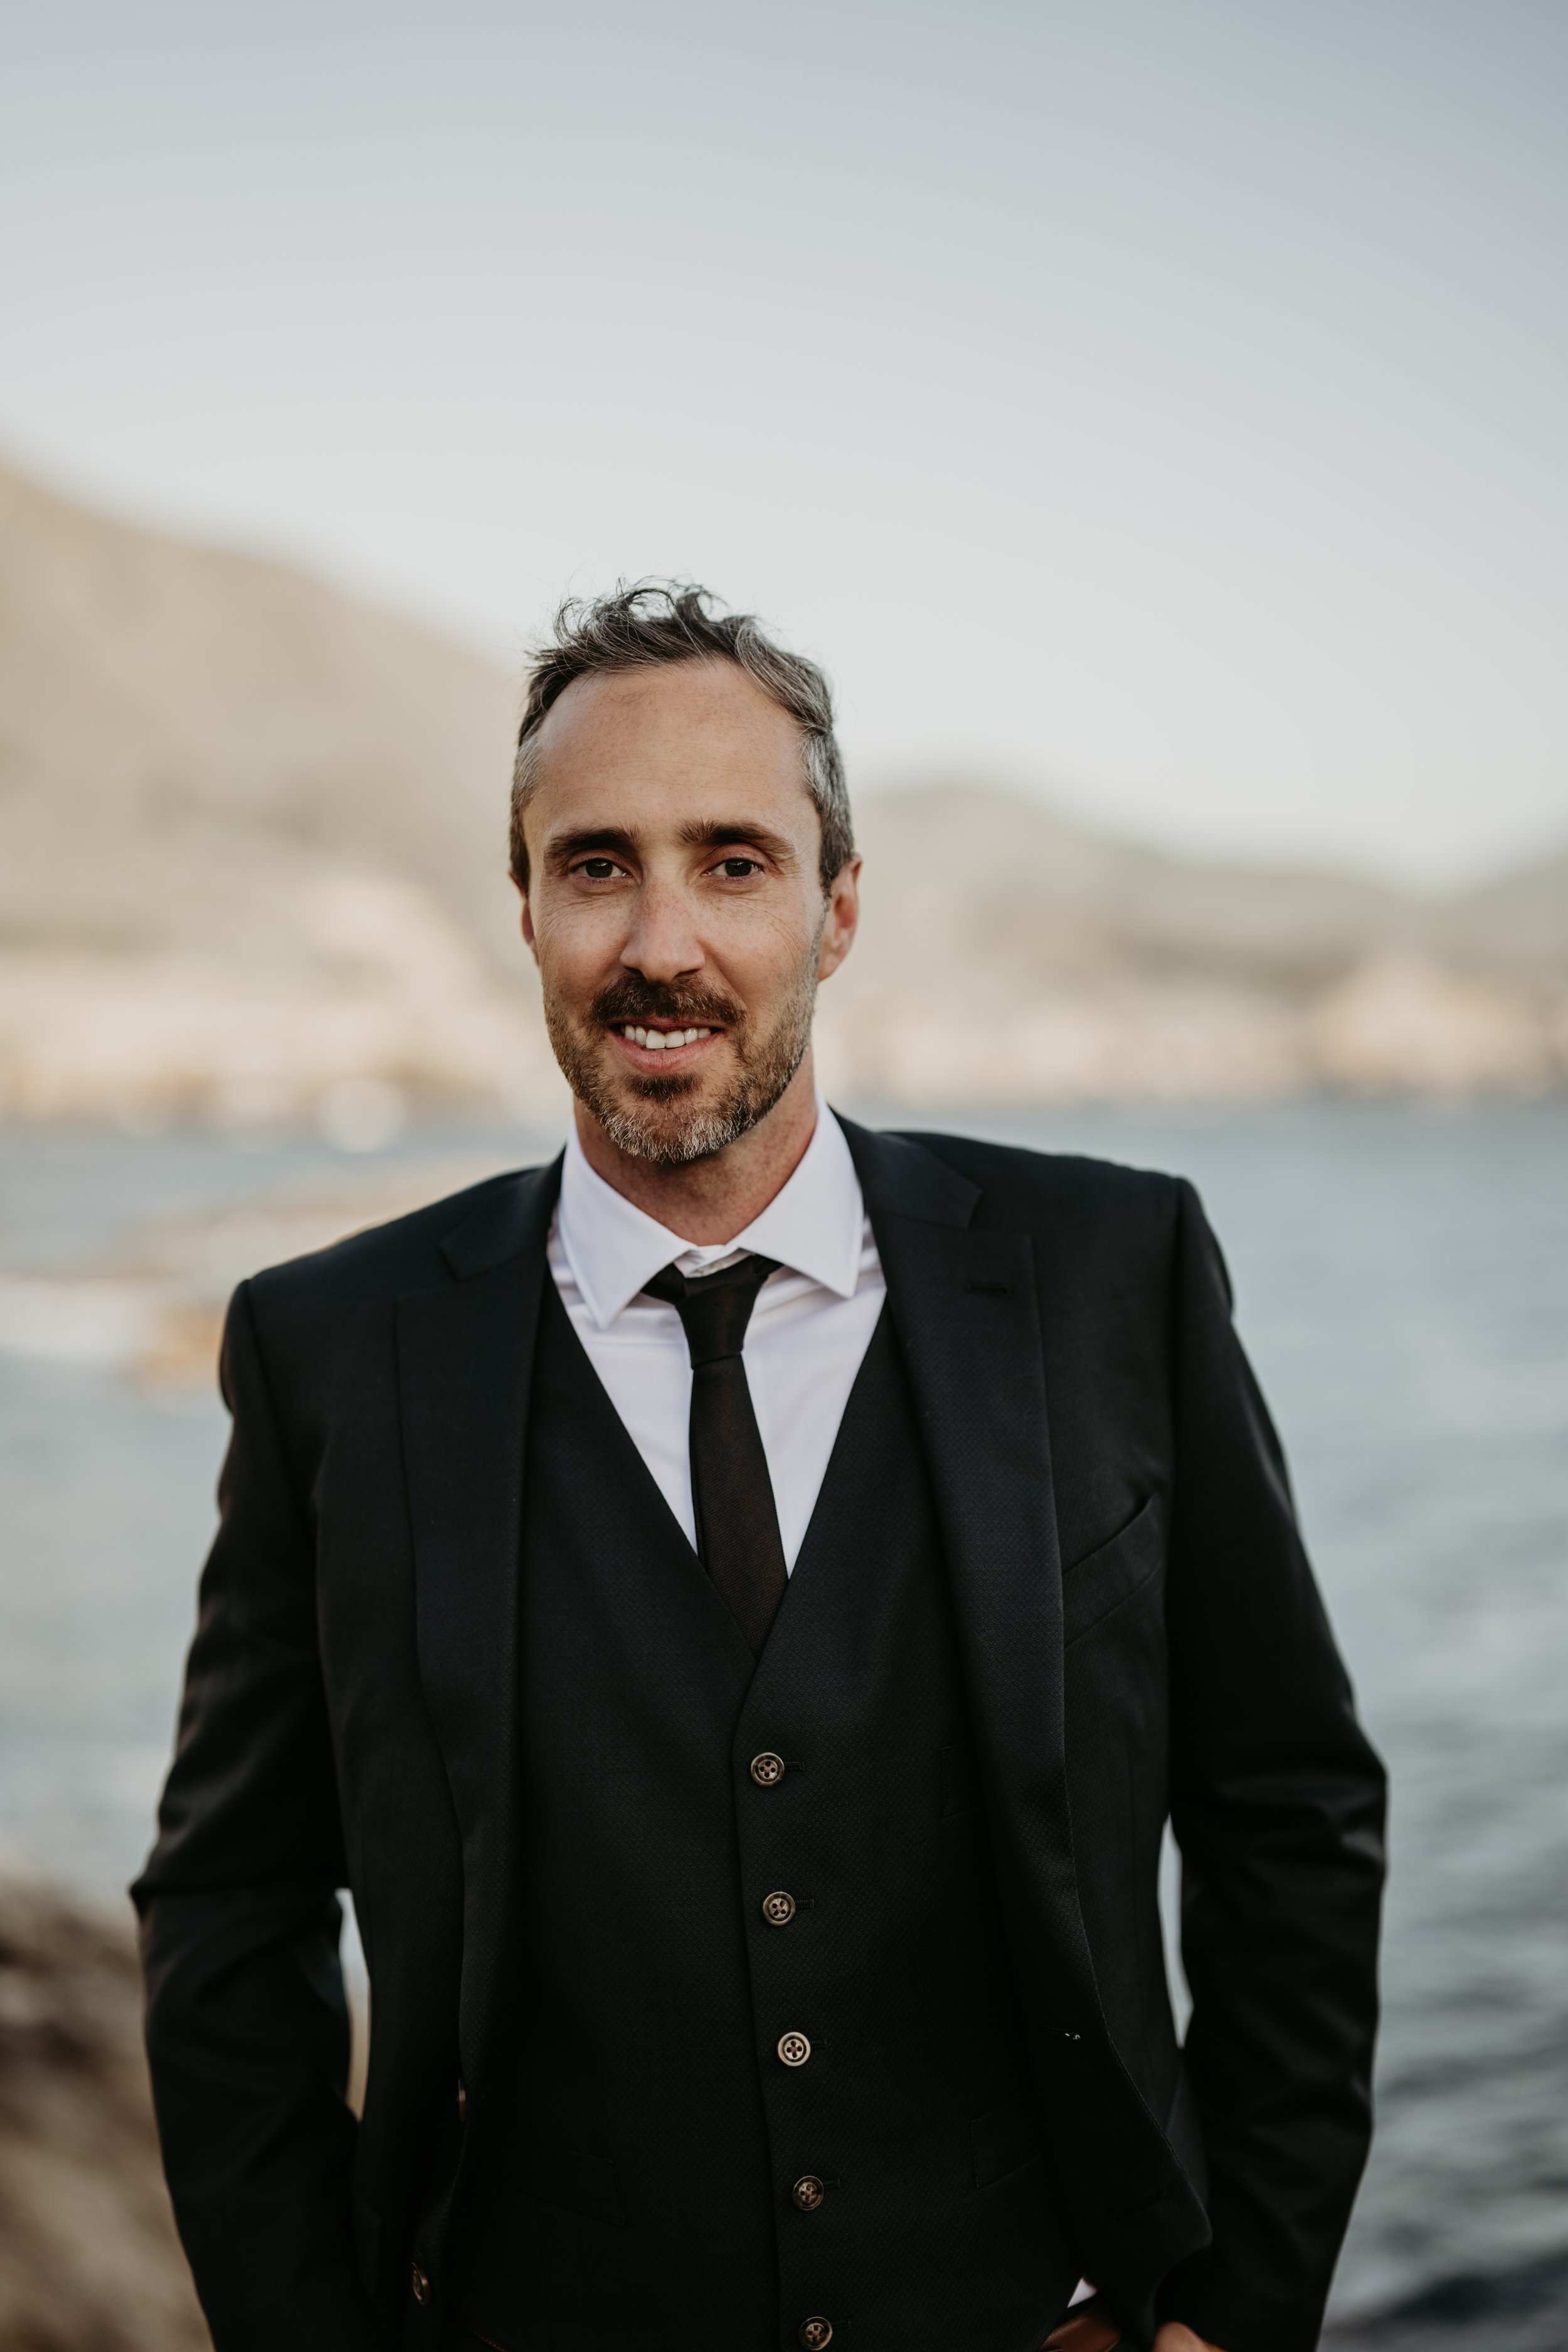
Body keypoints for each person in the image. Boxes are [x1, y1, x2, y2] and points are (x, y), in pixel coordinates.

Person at [134, 583, 1385, 2352]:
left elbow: (1287, 1814)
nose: (662, 942)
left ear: (837, 906)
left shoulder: (1111, 1274)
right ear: (524, 910)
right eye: (595, 866)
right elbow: (231, 1902)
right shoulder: (333, 1347)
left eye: (732, 862)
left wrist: (1233, 2309)